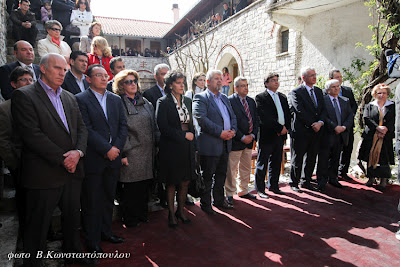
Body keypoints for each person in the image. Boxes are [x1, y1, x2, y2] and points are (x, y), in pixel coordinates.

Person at [11, 53, 90, 266]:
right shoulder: (24, 96)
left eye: (64, 69)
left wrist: (78, 153)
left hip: (72, 172)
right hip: (43, 173)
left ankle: (72, 254)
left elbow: (82, 129)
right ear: (43, 69)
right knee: (37, 225)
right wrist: (64, 158)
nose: (62, 73)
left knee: (73, 219)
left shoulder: (69, 97)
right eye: (57, 68)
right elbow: (31, 135)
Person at [76, 64, 127, 253]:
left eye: (106, 75)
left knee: (108, 198)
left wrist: (116, 149)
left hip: (114, 158)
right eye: (99, 75)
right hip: (94, 159)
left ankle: (107, 232)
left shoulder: (115, 99)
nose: (104, 78)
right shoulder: (80, 99)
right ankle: (92, 240)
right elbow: (85, 128)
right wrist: (106, 149)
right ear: (88, 79)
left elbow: (123, 125)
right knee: (91, 201)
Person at [113, 69, 157, 228]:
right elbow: (118, 129)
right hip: (130, 152)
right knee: (131, 188)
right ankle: (130, 219)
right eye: (128, 82)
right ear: (121, 85)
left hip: (147, 151)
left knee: (144, 186)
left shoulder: (146, 102)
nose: (132, 84)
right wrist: (123, 152)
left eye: (134, 81)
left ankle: (142, 214)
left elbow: (154, 125)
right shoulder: (118, 103)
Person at [193, 69, 237, 215]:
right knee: (207, 176)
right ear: (208, 82)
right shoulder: (200, 98)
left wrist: (233, 131)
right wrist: (220, 132)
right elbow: (202, 119)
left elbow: (232, 117)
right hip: (210, 144)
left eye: (220, 79)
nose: (219, 81)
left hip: (226, 144)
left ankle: (219, 200)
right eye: (216, 79)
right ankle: (206, 204)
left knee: (221, 174)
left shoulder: (224, 98)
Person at [156, 70, 195, 227]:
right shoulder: (163, 102)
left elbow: (192, 124)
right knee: (172, 182)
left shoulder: (187, 100)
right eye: (178, 83)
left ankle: (181, 211)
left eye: (182, 82)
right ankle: (171, 215)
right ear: (170, 85)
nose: (181, 85)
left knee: (185, 181)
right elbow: (163, 127)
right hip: (171, 147)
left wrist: (192, 139)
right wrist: (183, 135)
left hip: (187, 147)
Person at [0, 66, 33, 249]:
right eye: (23, 80)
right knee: (24, 204)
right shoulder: (5, 109)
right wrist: (15, 165)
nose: (28, 83)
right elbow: (3, 141)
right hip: (19, 166)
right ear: (13, 84)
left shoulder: (37, 104)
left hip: (39, 165)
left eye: (30, 80)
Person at [288, 67, 325, 193]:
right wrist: (312, 124)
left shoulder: (319, 91)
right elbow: (299, 110)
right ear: (304, 78)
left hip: (316, 131)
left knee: (311, 157)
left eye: (315, 75)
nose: (314, 77)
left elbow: (323, 110)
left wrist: (320, 123)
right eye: (311, 75)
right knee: (297, 158)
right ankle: (294, 182)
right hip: (301, 130)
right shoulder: (296, 92)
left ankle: (306, 181)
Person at [255, 73, 291, 197]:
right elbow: (265, 117)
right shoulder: (261, 97)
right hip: (268, 135)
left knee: (276, 162)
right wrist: (279, 128)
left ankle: (274, 186)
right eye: (273, 80)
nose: (276, 82)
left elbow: (287, 114)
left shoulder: (282, 97)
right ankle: (260, 189)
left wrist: (286, 128)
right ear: (266, 83)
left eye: (277, 80)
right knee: (262, 163)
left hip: (280, 136)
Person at [316, 79, 354, 192]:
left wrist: (344, 127)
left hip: (341, 134)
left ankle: (333, 178)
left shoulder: (345, 100)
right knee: (323, 158)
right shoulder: (323, 100)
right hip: (327, 134)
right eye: (333, 87)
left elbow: (350, 116)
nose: (336, 88)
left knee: (336, 157)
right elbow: (323, 116)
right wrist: (334, 127)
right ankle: (321, 181)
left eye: (338, 86)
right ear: (327, 90)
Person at [225, 76, 258, 204]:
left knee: (246, 168)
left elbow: (255, 119)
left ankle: (243, 190)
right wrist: (242, 136)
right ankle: (229, 193)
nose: (246, 88)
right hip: (236, 140)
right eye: (243, 86)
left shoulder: (251, 101)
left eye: (247, 85)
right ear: (236, 88)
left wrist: (253, 135)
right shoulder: (230, 101)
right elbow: (231, 122)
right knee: (231, 169)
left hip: (250, 140)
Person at [358, 84, 395, 190]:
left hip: (385, 137)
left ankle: (383, 180)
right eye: (379, 93)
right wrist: (378, 128)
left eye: (384, 93)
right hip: (371, 135)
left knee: (384, 157)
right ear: (375, 94)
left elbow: (394, 118)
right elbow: (367, 118)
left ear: (387, 94)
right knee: (371, 156)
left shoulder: (392, 106)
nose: (382, 95)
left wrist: (385, 129)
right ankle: (371, 178)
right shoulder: (370, 105)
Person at [328, 69, 358, 181]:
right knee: (333, 151)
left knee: (348, 148)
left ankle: (343, 172)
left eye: (340, 77)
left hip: (347, 126)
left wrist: (348, 119)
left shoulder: (347, 91)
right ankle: (331, 173)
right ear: (331, 79)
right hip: (333, 127)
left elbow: (354, 106)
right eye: (337, 77)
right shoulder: (326, 92)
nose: (340, 79)